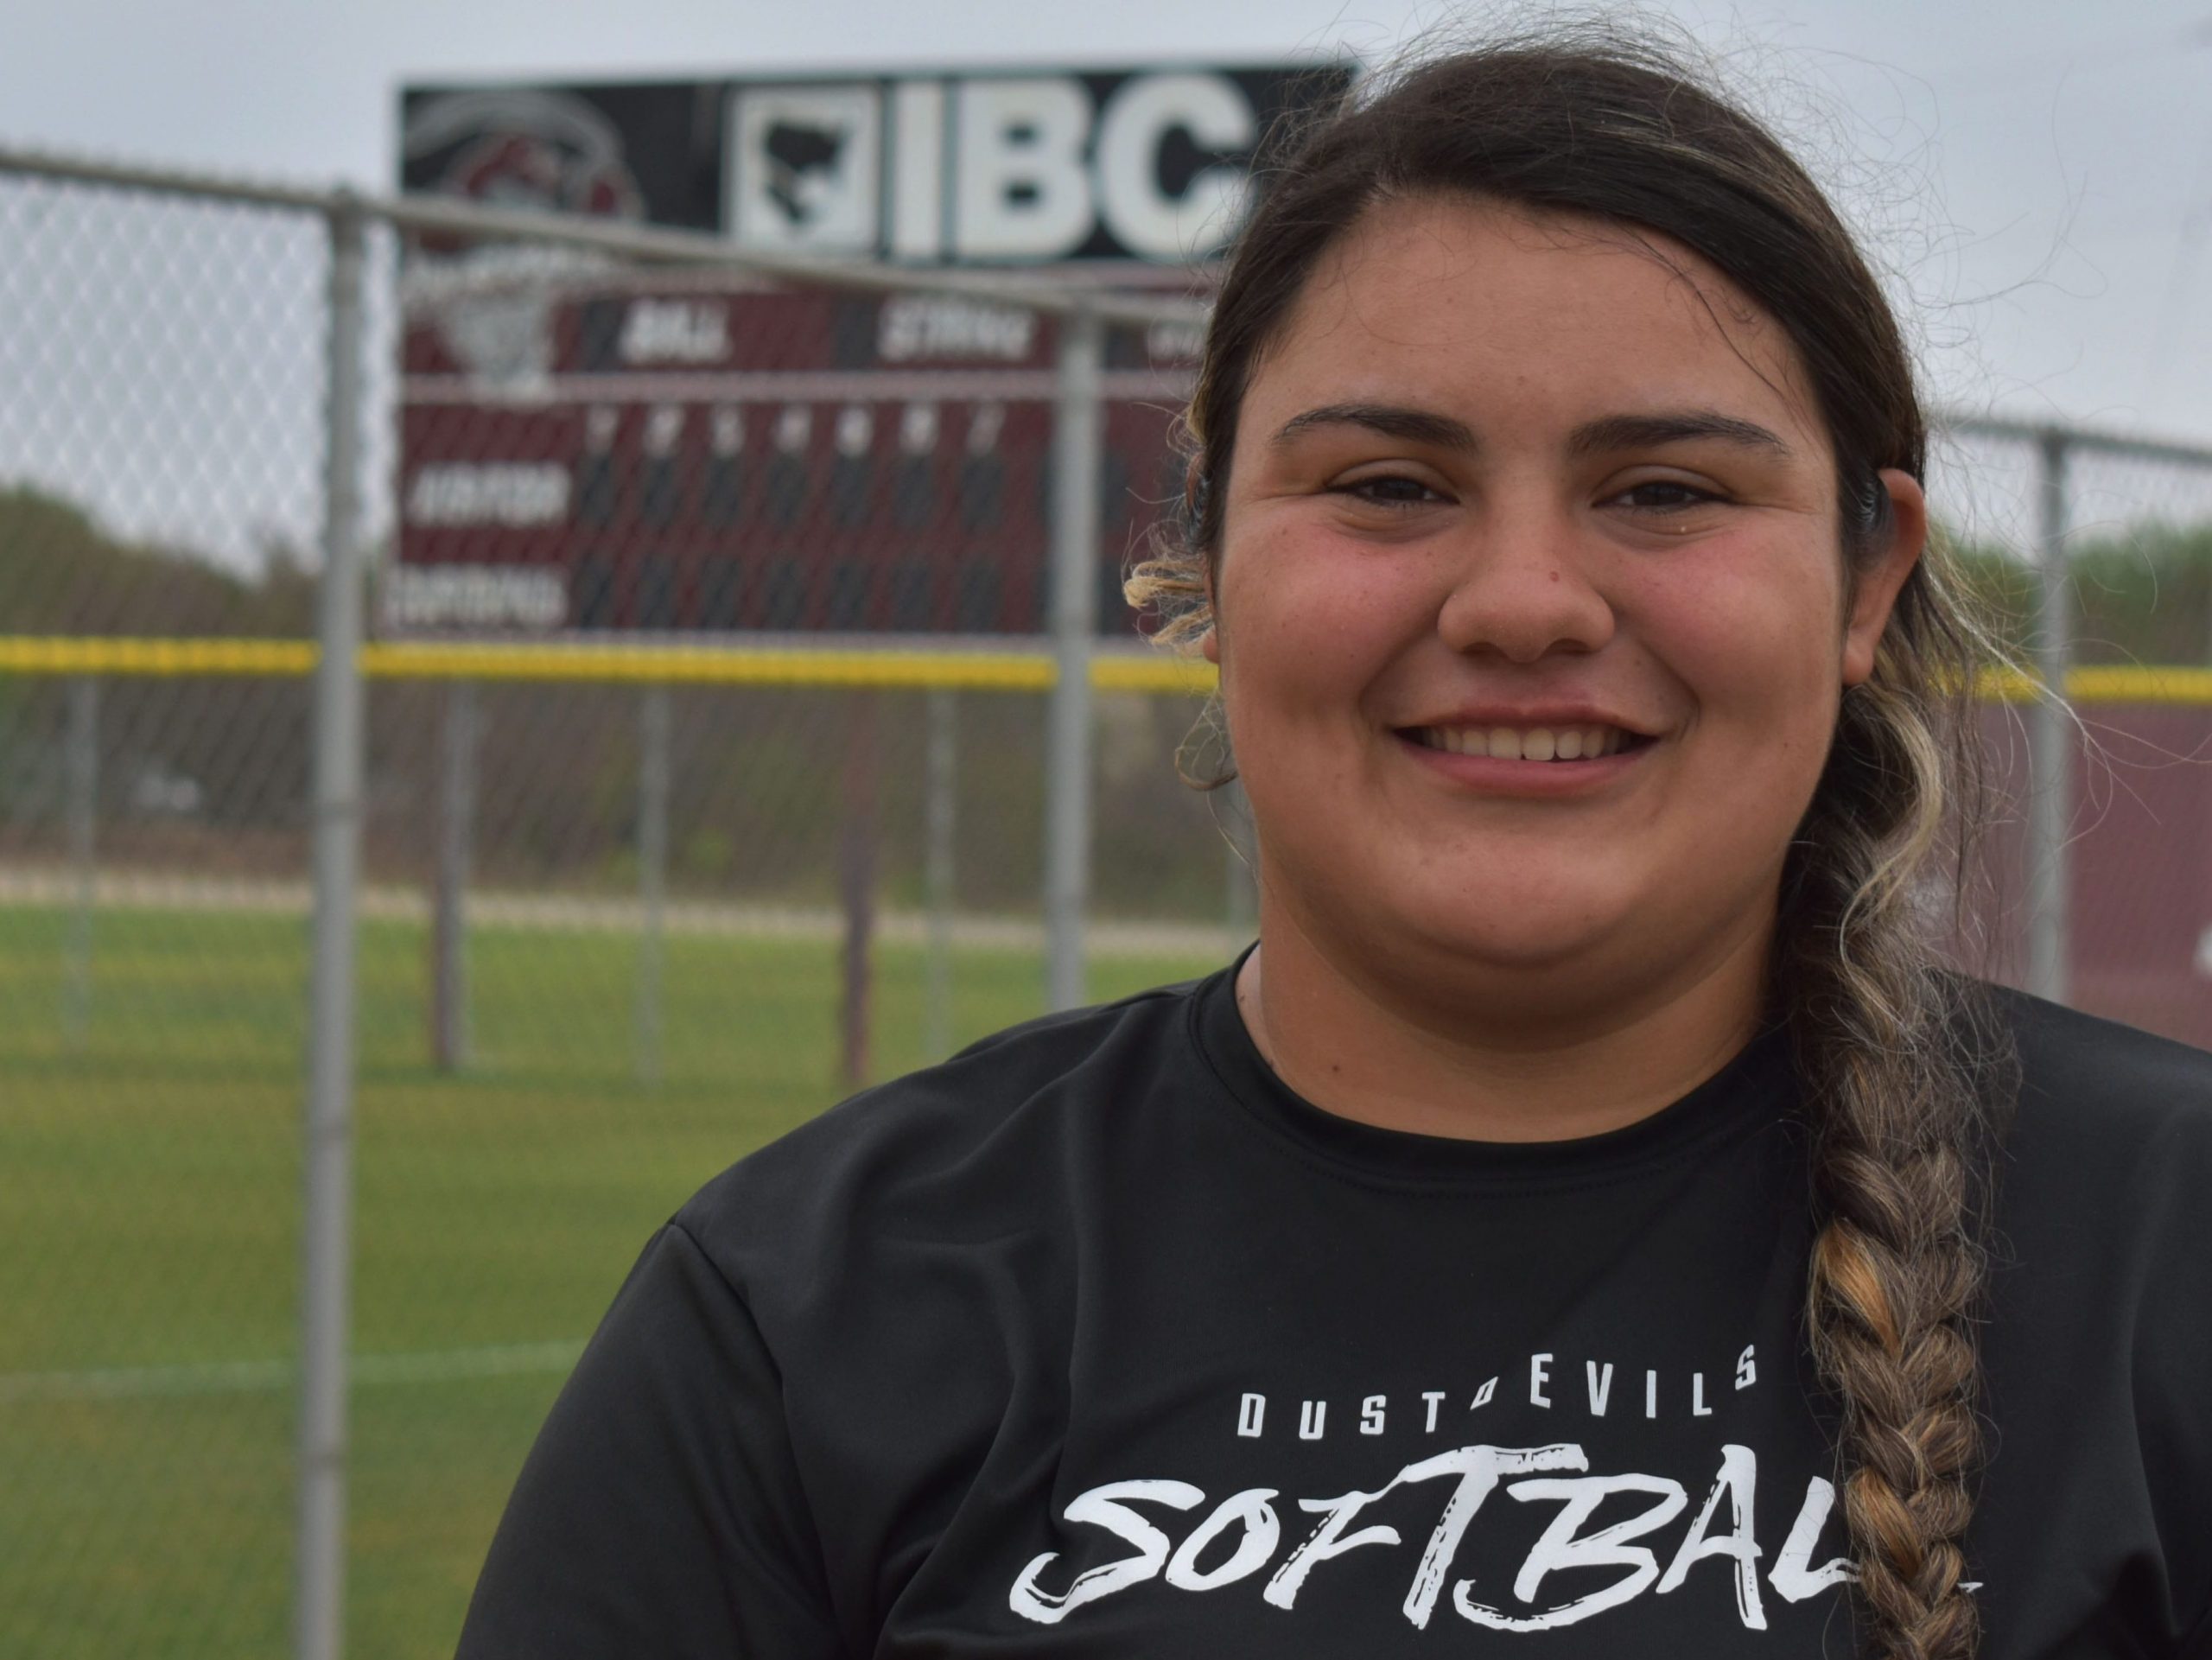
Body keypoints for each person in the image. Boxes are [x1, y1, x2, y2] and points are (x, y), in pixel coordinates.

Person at [455, 26, 2212, 1660]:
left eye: (1663, 489)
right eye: (1387, 484)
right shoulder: (806, 1312)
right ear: (1208, 562)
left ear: (1862, 579)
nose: (1523, 600)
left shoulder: (2162, 1244)